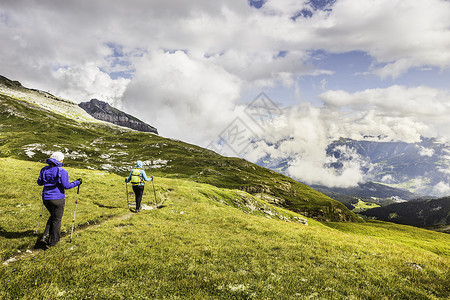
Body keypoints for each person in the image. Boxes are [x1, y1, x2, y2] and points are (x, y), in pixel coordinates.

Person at [37, 151, 82, 247]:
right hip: (58, 198)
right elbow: (66, 186)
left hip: (46, 198)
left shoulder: (44, 169)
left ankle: (45, 237)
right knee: (57, 219)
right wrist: (77, 182)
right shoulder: (62, 171)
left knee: (53, 216)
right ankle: (54, 242)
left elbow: (39, 183)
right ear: (60, 160)